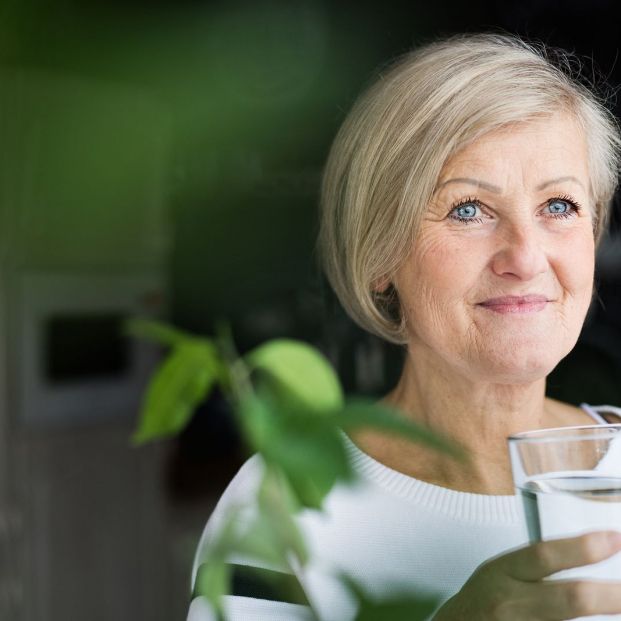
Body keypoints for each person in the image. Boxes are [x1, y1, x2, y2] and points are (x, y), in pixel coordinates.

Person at [187, 33, 621, 620]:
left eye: (560, 206)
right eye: (468, 210)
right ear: (380, 258)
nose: (525, 256)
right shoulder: (280, 504)